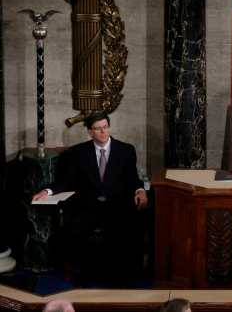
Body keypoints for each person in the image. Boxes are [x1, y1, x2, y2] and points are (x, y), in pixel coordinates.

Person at [33, 112, 148, 286]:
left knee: (126, 228)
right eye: (97, 129)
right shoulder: (79, 152)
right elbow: (66, 181)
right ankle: (84, 277)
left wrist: (140, 190)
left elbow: (133, 178)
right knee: (76, 230)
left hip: (116, 205)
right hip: (88, 206)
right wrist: (47, 191)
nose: (103, 132)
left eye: (105, 127)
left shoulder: (125, 150)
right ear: (90, 132)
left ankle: (123, 277)